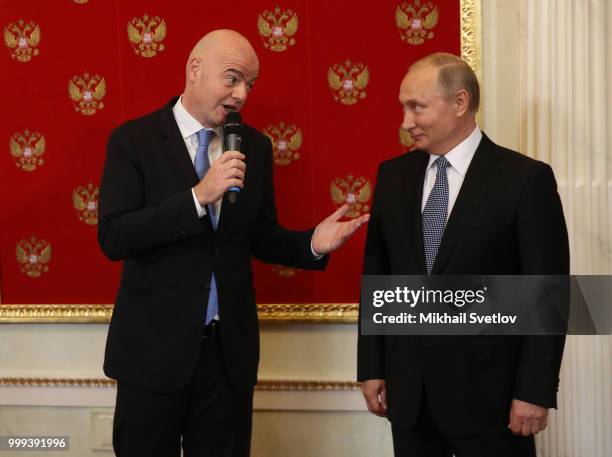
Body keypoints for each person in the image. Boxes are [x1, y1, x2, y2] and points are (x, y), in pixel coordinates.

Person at [98, 29, 368, 457]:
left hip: (227, 359)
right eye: (232, 78)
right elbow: (115, 237)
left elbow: (256, 236)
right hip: (153, 354)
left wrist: (311, 244)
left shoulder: (254, 147)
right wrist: (197, 197)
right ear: (194, 69)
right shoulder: (133, 141)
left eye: (250, 84)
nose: (241, 94)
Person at [357, 53, 569, 457]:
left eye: (416, 107)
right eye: (403, 107)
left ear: (459, 102)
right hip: (410, 399)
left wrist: (534, 392)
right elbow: (378, 276)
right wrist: (373, 368)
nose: (405, 121)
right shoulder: (392, 176)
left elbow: (547, 293)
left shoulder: (525, 179)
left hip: (494, 401)